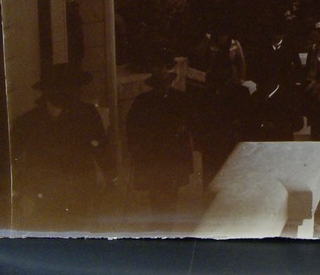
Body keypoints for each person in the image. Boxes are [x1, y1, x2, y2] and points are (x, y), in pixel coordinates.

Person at [11, 62, 114, 226]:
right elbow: (13, 158)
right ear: (50, 91)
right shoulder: (28, 122)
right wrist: (22, 191)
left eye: (77, 88)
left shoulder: (87, 114)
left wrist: (110, 179)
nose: (76, 94)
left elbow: (101, 148)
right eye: (68, 88)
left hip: (81, 189)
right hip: (45, 193)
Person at [125, 64, 193, 220]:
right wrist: (135, 148)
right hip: (153, 154)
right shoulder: (143, 101)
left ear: (171, 83)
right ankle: (159, 222)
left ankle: (168, 223)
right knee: (155, 191)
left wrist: (184, 128)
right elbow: (132, 127)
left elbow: (191, 121)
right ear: (153, 86)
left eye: (166, 84)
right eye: (159, 85)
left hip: (174, 154)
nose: (164, 88)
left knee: (172, 190)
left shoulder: (180, 98)